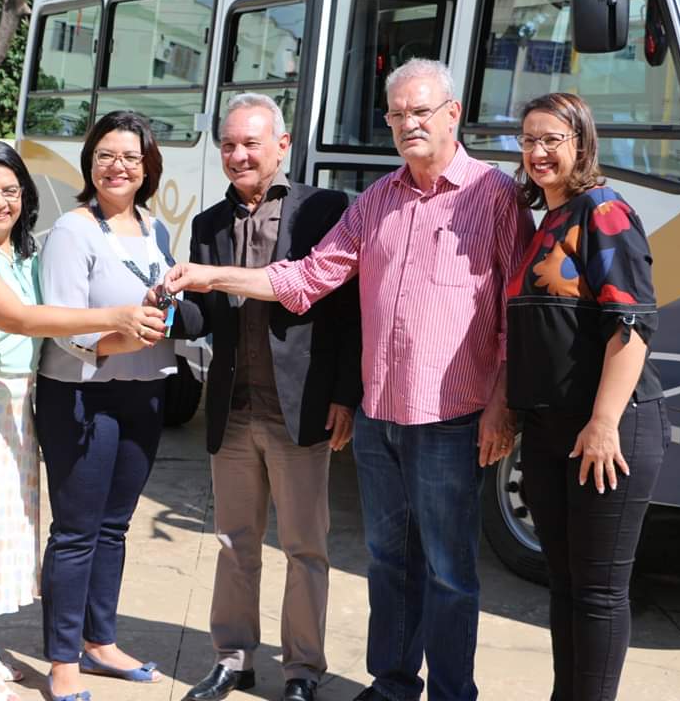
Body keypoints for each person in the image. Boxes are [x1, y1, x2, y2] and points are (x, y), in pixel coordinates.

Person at [165, 58, 534, 701]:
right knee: (388, 564)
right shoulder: (377, 201)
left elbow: (514, 314)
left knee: (449, 571)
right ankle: (392, 685)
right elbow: (307, 280)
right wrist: (207, 276)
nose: (407, 124)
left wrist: (503, 404)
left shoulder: (495, 196)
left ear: (452, 114)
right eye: (396, 114)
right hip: (380, 416)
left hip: (451, 417)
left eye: (420, 111)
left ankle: (452, 693)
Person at [0, 142, 166, 701]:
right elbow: (16, 317)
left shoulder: (21, 253)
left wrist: (128, 335)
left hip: (12, 400)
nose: (0, 201)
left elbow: (63, 327)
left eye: (11, 191)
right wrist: (114, 315)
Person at [169, 93, 361, 701]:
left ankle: (303, 670)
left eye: (251, 143)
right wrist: (164, 310)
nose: (238, 155)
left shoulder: (324, 210)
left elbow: (349, 312)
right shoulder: (208, 225)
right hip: (233, 409)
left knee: (305, 547)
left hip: (299, 408)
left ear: (281, 146)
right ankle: (232, 658)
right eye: (228, 144)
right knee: (233, 542)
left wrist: (344, 395)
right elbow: (201, 319)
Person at [507, 92, 667, 701]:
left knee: (599, 593)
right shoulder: (546, 217)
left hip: (607, 431)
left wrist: (602, 424)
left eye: (552, 139)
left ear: (581, 143)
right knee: (565, 584)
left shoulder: (602, 210)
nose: (538, 152)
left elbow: (631, 324)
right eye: (528, 140)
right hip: (550, 434)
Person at [35, 110, 178, 701]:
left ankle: (100, 641)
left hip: (144, 391)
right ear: (90, 163)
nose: (117, 167)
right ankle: (62, 658)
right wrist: (124, 336)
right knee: (75, 531)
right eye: (106, 155)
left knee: (114, 527)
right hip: (80, 394)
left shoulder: (156, 228)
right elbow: (65, 325)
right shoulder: (73, 230)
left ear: (147, 168)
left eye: (130, 157)